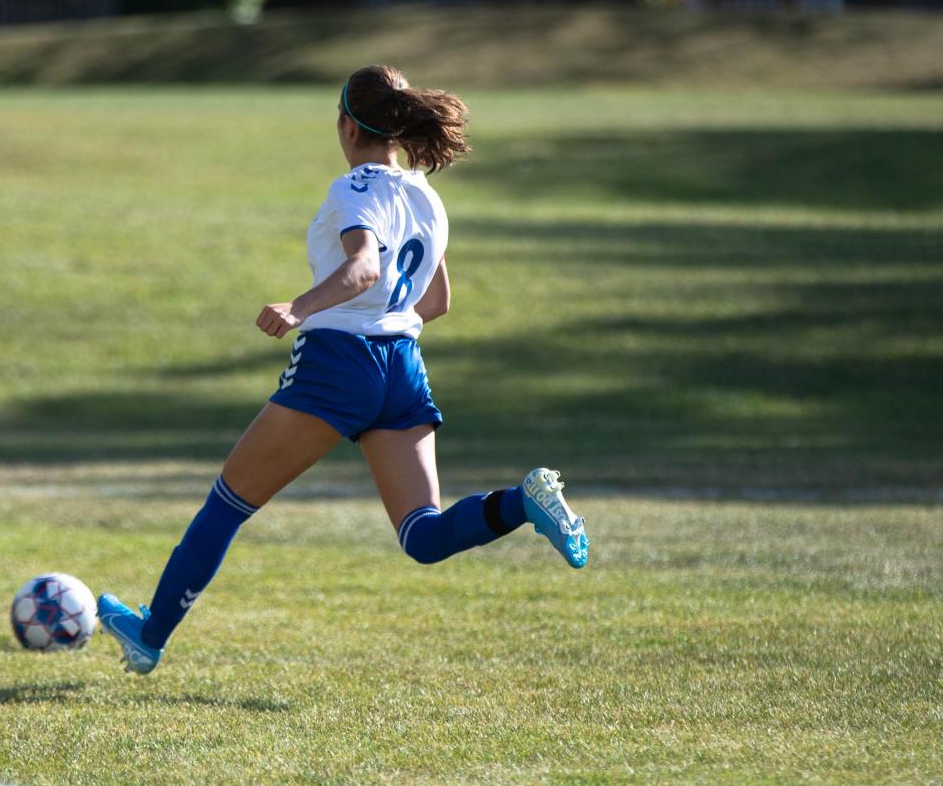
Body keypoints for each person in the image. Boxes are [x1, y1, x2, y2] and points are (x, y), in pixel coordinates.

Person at [96, 65, 588, 676]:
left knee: (227, 503)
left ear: (348, 125)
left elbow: (364, 270)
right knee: (423, 536)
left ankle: (150, 634)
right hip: (403, 369)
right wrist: (381, 330)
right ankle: (523, 503)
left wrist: (297, 308)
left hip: (338, 366)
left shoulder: (354, 189)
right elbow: (435, 303)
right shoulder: (426, 198)